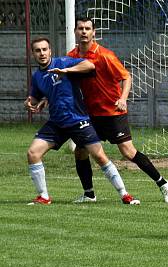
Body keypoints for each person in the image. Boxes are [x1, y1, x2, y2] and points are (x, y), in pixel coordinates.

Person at [67, 17, 168, 204]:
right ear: (75, 31)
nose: (84, 32)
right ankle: (89, 194)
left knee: (128, 151)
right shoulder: (71, 56)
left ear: (94, 33)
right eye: (80, 28)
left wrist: (123, 98)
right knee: (80, 151)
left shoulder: (105, 56)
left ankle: (163, 183)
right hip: (90, 114)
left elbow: (126, 76)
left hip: (112, 112)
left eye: (87, 28)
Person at [25, 37, 140, 206]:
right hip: (57, 122)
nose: (42, 53)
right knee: (33, 153)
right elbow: (34, 97)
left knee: (100, 156)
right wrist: (29, 103)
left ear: (50, 51)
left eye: (44, 49)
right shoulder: (37, 76)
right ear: (32, 53)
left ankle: (125, 195)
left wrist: (68, 71)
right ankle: (44, 196)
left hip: (78, 120)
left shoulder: (63, 62)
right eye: (38, 50)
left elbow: (89, 65)